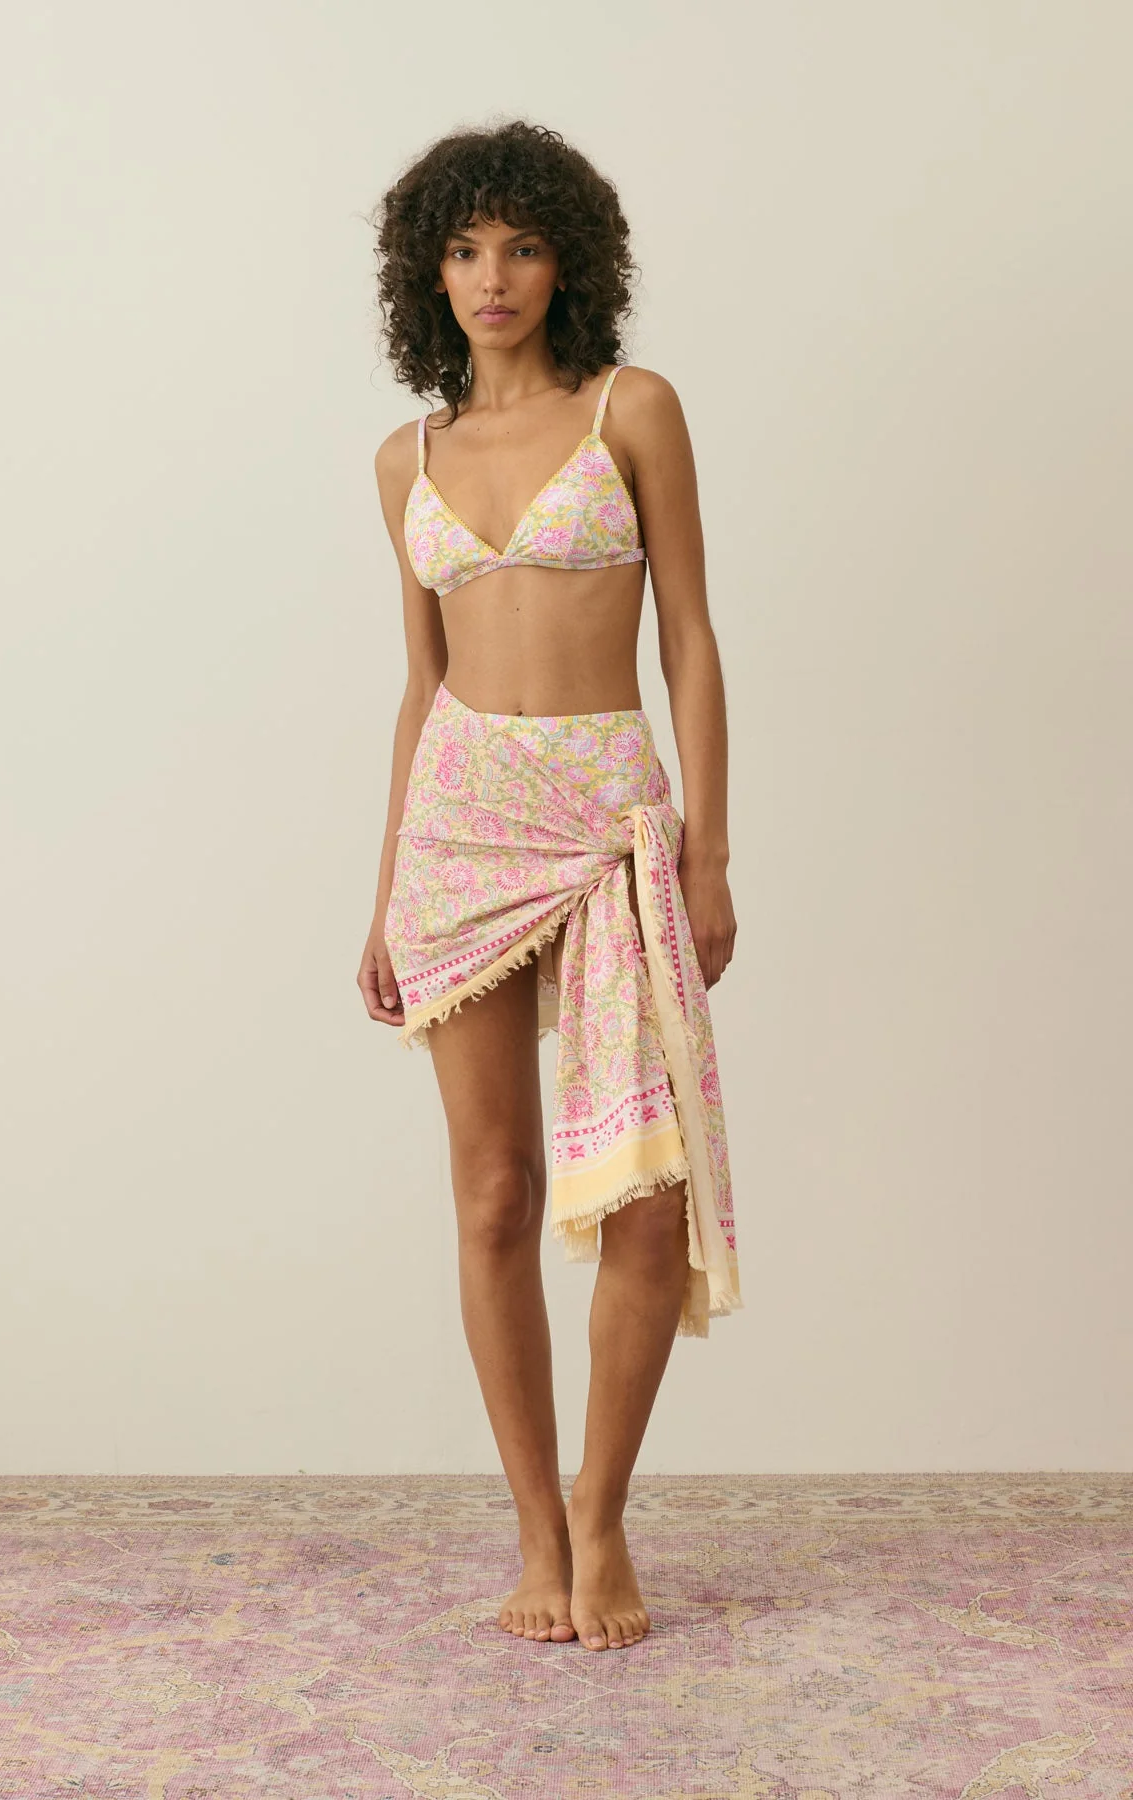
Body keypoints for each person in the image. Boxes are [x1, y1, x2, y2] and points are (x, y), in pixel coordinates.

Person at [358, 120, 742, 1654]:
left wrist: (709, 849)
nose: (493, 276)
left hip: (608, 825)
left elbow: (690, 639)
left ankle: (603, 1511)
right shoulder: (406, 459)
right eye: (464, 249)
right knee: (496, 1191)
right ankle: (534, 1526)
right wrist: (382, 891)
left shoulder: (631, 408)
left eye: (520, 245)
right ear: (428, 273)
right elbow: (420, 686)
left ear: (568, 259)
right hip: (460, 835)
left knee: (643, 1205)